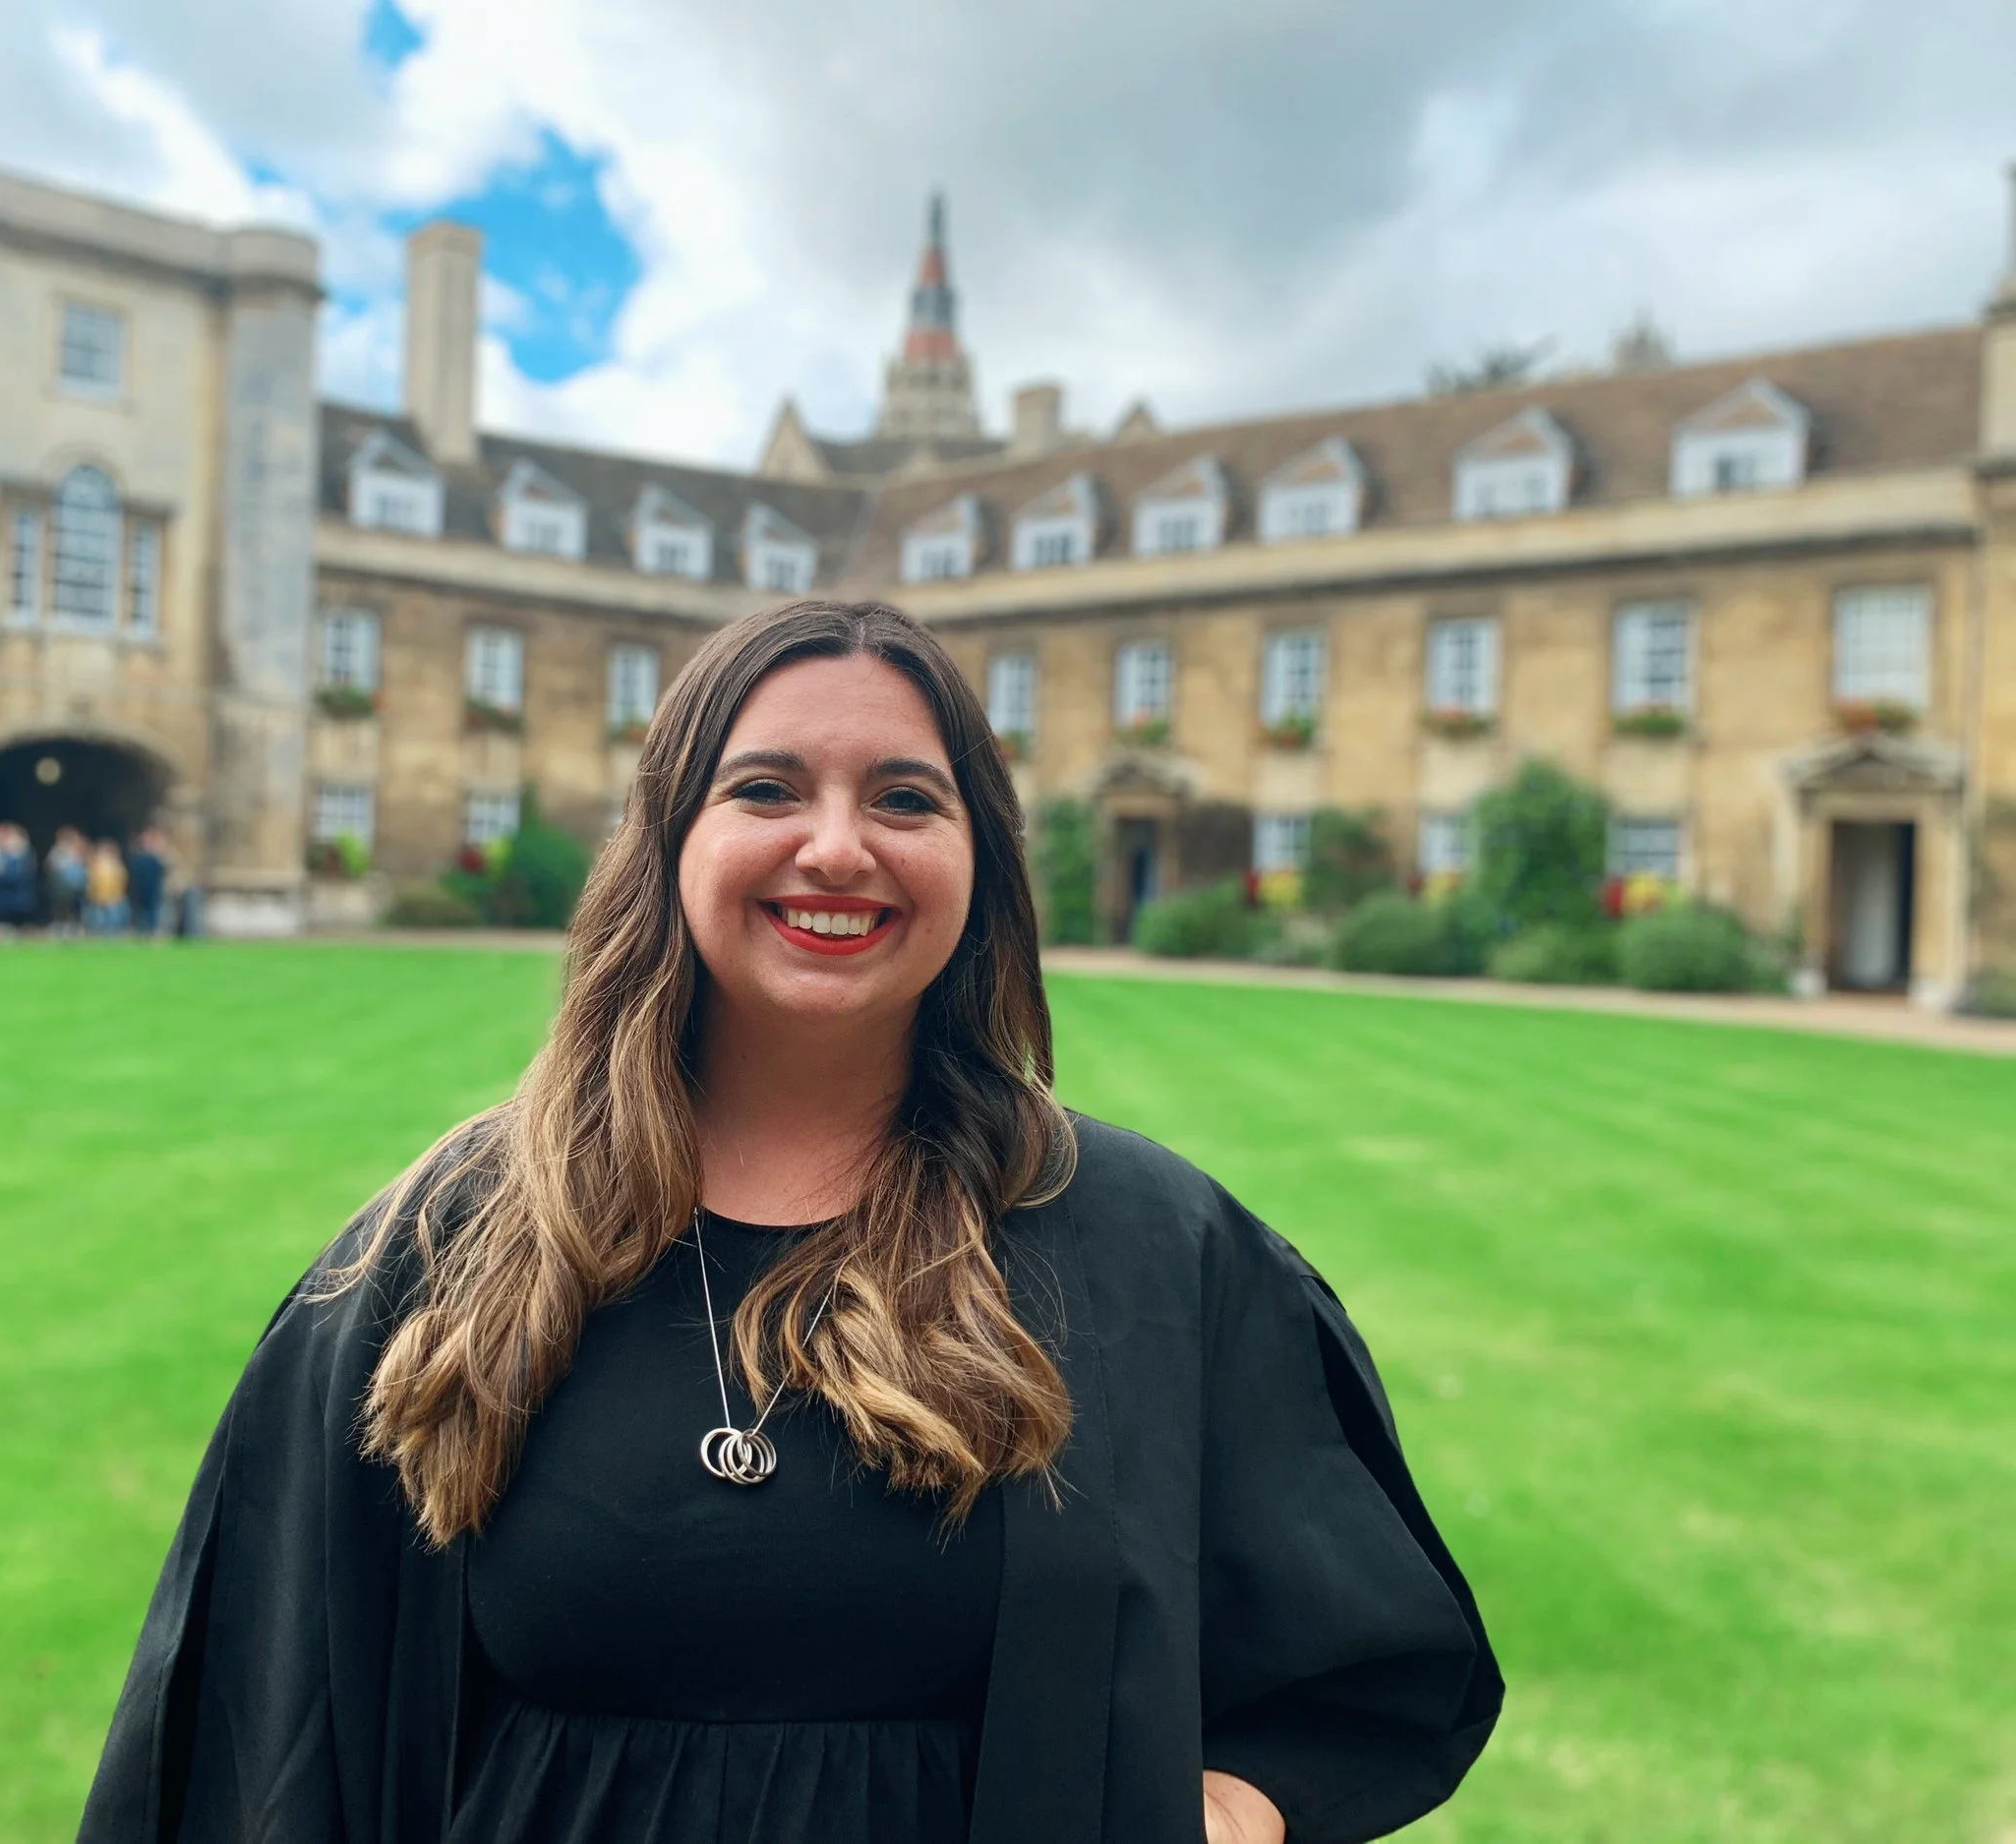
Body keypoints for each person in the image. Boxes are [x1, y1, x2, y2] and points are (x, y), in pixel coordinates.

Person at [81, 601, 1501, 1844]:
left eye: (904, 797)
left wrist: (1243, 1804)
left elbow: (1371, 1657)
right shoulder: (451, 1240)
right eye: (767, 787)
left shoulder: (1135, 1239)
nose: (838, 846)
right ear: (671, 837)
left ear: (979, 861)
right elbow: (261, 1711)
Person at [46, 828, 88, 938]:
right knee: (60, 906)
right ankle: (59, 926)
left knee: (75, 907)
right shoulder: (56, 852)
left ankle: (74, 927)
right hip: (60, 886)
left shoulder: (78, 851)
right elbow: (51, 866)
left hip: (76, 886)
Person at [126, 826, 167, 938]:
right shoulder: (137, 855)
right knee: (140, 912)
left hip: (153, 889)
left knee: (153, 911)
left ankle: (151, 931)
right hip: (140, 889)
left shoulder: (156, 856)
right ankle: (141, 931)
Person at [86, 838, 130, 935]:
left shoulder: (117, 866)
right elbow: (91, 882)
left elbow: (122, 881)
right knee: (98, 922)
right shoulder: (94, 866)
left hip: (114, 898)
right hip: (98, 899)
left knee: (114, 921)